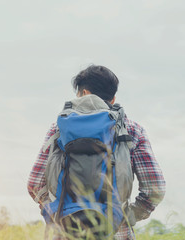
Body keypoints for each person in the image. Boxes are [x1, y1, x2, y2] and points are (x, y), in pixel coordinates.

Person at [27, 65, 166, 239]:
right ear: (113, 99)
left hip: (65, 231)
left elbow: (34, 183)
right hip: (115, 232)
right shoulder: (132, 130)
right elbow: (155, 189)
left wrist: (55, 213)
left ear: (83, 93)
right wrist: (126, 217)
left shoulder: (58, 129)